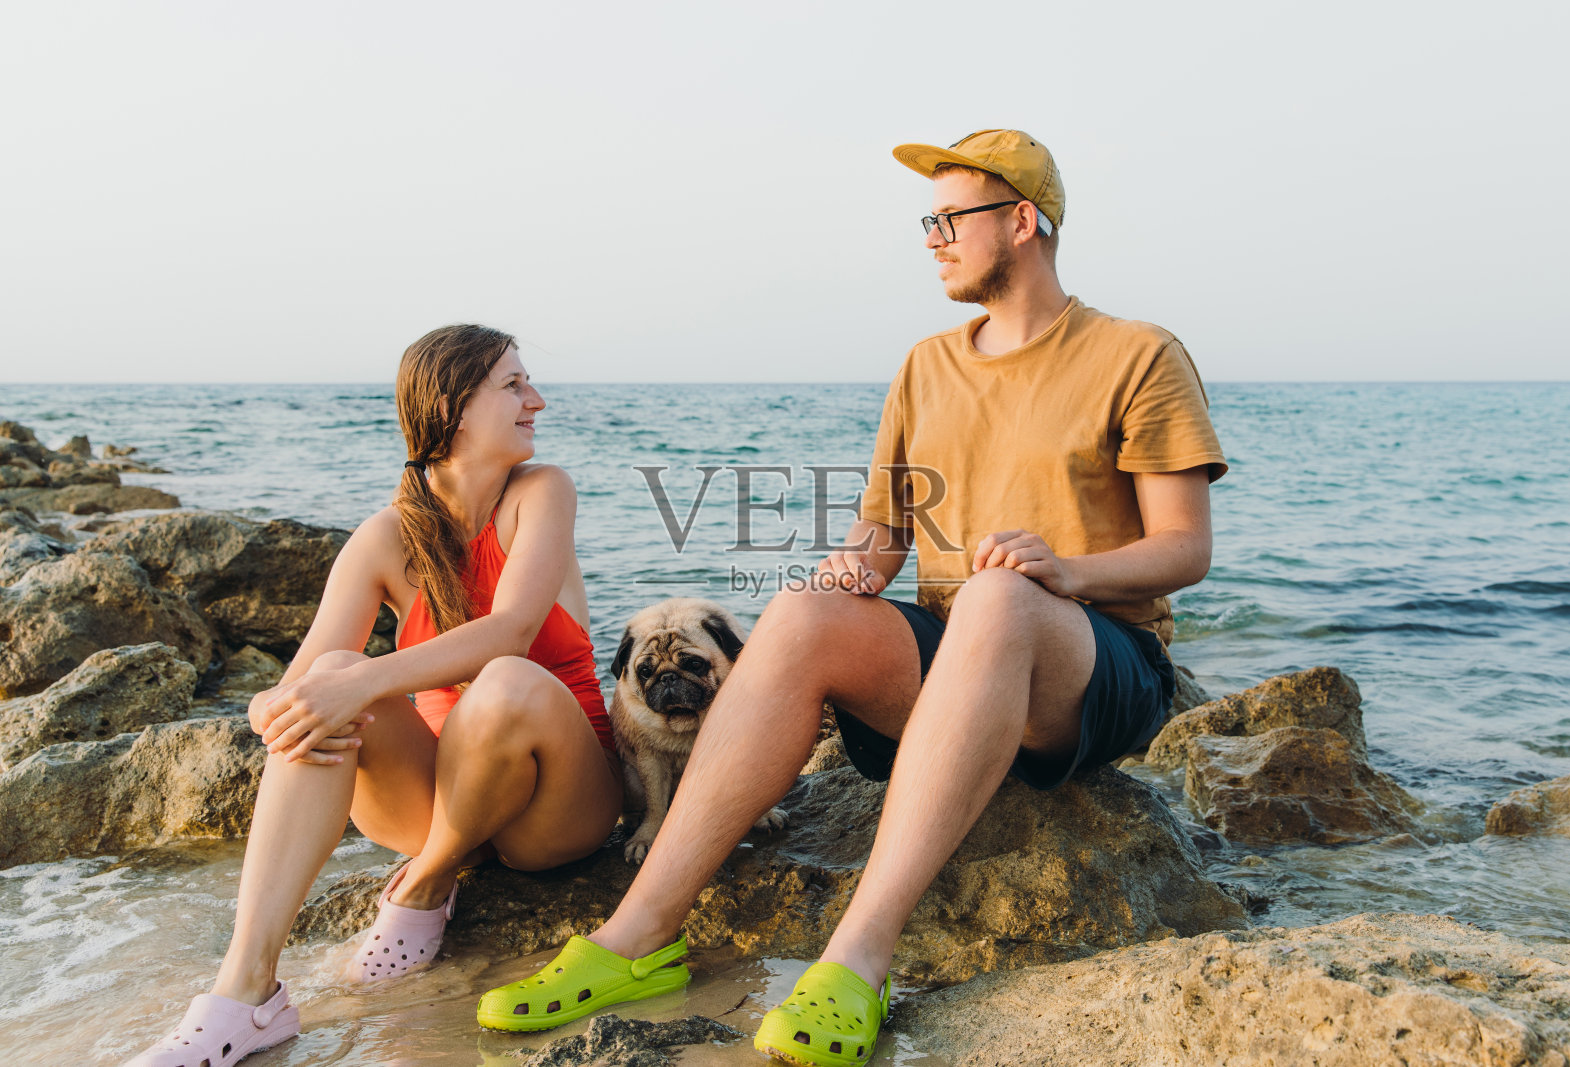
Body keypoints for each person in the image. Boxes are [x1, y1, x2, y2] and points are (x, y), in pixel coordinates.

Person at [474, 129, 1227, 1066]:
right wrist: (850, 572)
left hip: (1095, 670)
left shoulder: (1138, 353)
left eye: (950, 217)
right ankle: (639, 937)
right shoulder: (925, 365)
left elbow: (1185, 548)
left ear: (1024, 221)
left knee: (995, 598)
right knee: (797, 614)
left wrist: (1070, 571)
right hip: (961, 666)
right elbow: (886, 533)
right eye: (930, 221)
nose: (932, 238)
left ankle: (858, 961)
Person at [128, 324, 621, 1067]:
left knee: (502, 678)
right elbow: (292, 687)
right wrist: (282, 706)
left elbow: (513, 630)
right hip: (438, 799)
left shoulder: (541, 493)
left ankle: (427, 880)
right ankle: (246, 990)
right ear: (455, 408)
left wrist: (366, 676)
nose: (537, 401)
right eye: (514, 385)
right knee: (329, 672)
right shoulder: (385, 538)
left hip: (556, 807)